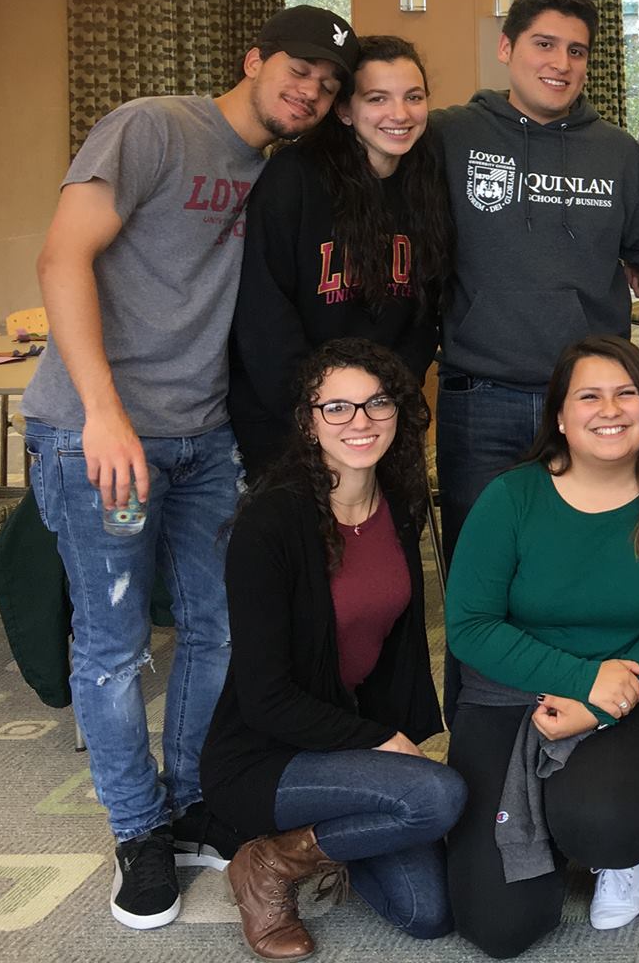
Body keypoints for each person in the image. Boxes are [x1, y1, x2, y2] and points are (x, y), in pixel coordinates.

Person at [22, 3, 356, 929]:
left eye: (328, 86)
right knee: (115, 645)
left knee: (222, 633)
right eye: (297, 69)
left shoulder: (280, 172)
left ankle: (189, 801)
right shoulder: (152, 127)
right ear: (252, 58)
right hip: (99, 434)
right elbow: (61, 259)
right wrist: (103, 413)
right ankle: (137, 831)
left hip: (204, 439)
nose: (310, 91)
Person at [444, 336, 639, 957]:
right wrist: (577, 680)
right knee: (499, 928)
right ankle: (552, 807)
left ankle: (607, 843)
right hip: (505, 692)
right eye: (589, 395)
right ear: (561, 417)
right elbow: (470, 627)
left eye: (628, 393)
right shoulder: (511, 497)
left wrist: (598, 703)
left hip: (632, 688)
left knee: (606, 828)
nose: (610, 409)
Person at [201, 339, 465, 958]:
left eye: (377, 404)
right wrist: (377, 746)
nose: (360, 422)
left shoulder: (399, 506)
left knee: (428, 913)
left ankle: (331, 829)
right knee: (437, 795)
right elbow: (264, 698)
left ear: (400, 412)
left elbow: (395, 649)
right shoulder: (270, 524)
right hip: (265, 756)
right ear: (308, 420)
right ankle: (268, 863)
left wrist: (394, 736)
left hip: (347, 736)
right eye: (337, 408)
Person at [428, 0, 639, 563]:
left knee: (581, 565)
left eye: (576, 51)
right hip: (481, 393)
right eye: (544, 44)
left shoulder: (618, 153)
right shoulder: (449, 136)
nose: (560, 63)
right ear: (506, 48)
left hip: (589, 400)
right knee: (481, 571)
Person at [227, 35, 452, 478]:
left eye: (413, 97)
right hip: (290, 422)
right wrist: (322, 410)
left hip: (381, 421)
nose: (399, 114)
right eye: (377, 98)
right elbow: (263, 310)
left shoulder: (427, 183)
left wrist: (381, 404)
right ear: (345, 111)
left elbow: (426, 313)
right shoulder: (295, 177)